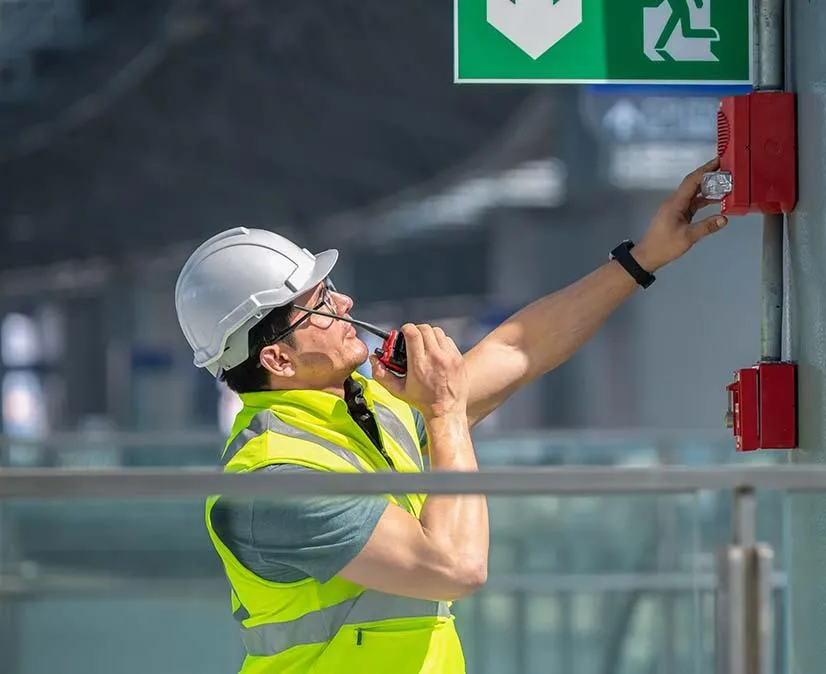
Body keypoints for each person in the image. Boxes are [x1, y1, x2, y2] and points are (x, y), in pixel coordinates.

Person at [173, 158, 729, 674]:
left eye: (330, 291)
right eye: (316, 305)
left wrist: (642, 259)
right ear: (276, 358)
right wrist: (443, 411)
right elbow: (455, 566)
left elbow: (518, 350)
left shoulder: (372, 413)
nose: (342, 305)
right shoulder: (273, 484)